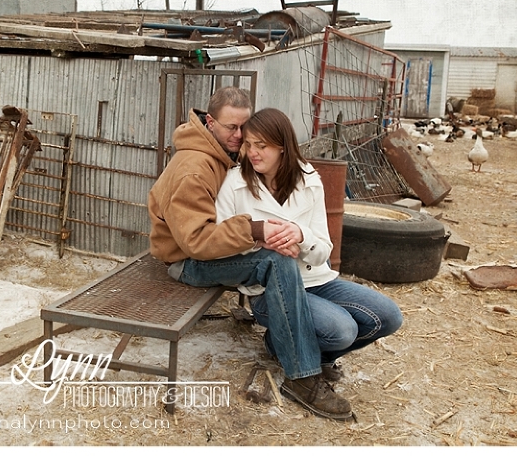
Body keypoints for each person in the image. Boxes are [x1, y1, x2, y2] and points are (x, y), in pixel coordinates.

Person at [148, 88, 357, 420]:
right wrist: (257, 231)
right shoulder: (194, 168)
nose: (239, 136)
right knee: (275, 260)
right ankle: (302, 377)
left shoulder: (223, 151)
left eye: (243, 128)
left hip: (211, 252)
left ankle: (302, 353)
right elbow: (196, 243)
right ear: (210, 122)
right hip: (187, 262)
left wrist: (282, 236)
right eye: (231, 127)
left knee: (278, 257)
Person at [216, 107, 403, 418]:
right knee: (341, 329)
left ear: (282, 146)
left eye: (262, 145)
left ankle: (298, 349)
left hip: (316, 279)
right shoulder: (235, 184)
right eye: (248, 144)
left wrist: (301, 237)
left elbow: (323, 250)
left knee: (387, 316)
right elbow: (223, 243)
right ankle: (294, 357)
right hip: (269, 291)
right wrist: (264, 242)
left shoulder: (309, 180)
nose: (253, 152)